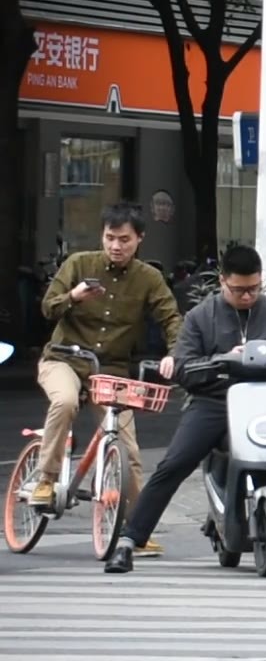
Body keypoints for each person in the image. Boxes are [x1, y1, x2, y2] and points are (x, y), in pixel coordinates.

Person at [105, 244, 266, 573]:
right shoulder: (200, 317)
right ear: (222, 282)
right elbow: (183, 367)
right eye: (239, 290)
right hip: (215, 402)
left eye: (254, 288)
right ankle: (129, 540)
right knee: (173, 464)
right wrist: (223, 361)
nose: (247, 296)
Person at [35, 204, 185, 556]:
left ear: (139, 240)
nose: (116, 246)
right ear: (102, 236)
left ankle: (137, 529)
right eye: (110, 238)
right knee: (66, 401)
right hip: (63, 358)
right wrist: (72, 297)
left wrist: (173, 354)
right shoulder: (78, 264)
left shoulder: (148, 277)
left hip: (110, 370)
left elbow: (171, 318)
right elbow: (47, 307)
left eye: (124, 240)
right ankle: (46, 479)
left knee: (129, 449)